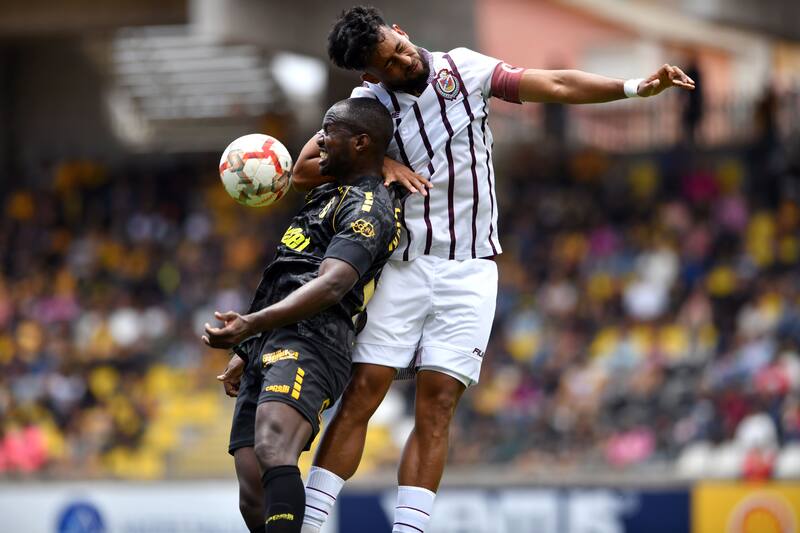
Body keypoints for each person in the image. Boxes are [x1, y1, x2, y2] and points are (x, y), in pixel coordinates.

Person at [219, 6, 696, 533]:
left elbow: (555, 83)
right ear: (371, 75)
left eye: (398, 46)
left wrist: (633, 87)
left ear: (397, 30)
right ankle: (310, 523)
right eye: (390, 64)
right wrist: (381, 162)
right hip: (404, 266)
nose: (405, 60)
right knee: (364, 391)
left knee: (439, 402)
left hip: (470, 270)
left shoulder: (463, 69)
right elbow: (303, 168)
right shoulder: (366, 107)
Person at [204, 97, 401, 533]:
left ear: (362, 143)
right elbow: (288, 272)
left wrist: (252, 324)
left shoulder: (369, 208)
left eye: (328, 132)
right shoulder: (327, 192)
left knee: (275, 446)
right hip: (269, 339)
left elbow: (333, 284)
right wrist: (248, 346)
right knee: (252, 486)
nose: (319, 142)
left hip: (314, 339)